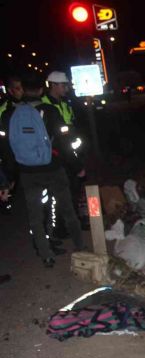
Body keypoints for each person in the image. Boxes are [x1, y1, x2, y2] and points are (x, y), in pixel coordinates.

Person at [0, 73, 85, 268]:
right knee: (67, 209)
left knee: (35, 215)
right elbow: (63, 143)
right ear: (41, 90)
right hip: (53, 168)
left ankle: (45, 255)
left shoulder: (8, 115)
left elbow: (6, 149)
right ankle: (80, 247)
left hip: (27, 171)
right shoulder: (50, 111)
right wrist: (77, 167)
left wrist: (10, 178)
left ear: (22, 89)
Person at [41, 71, 89, 229]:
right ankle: (60, 226)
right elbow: (58, 137)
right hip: (56, 157)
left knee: (73, 190)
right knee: (57, 194)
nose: (66, 88)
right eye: (63, 85)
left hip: (70, 154)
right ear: (53, 85)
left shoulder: (64, 103)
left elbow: (71, 129)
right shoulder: (44, 105)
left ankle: (72, 222)